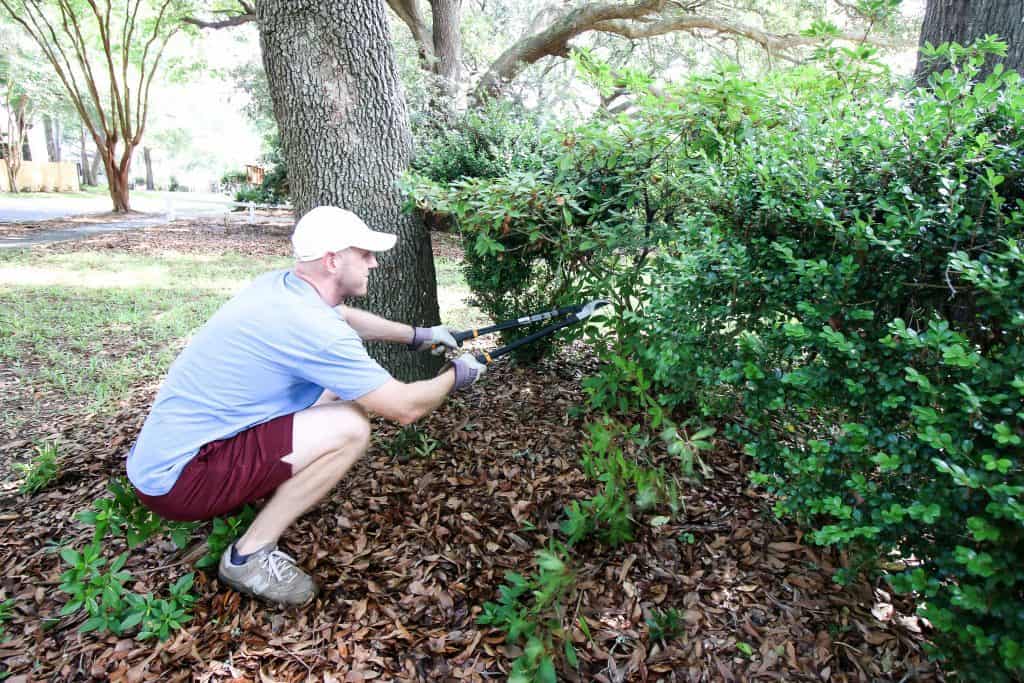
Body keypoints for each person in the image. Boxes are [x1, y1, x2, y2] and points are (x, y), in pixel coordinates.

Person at [126, 205, 486, 606]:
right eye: (364, 253)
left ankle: (262, 494)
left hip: (163, 461)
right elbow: (404, 408)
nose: (374, 262)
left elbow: (345, 317)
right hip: (181, 482)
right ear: (333, 261)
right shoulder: (314, 330)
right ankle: (248, 556)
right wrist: (459, 375)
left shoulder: (280, 287)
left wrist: (419, 336)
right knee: (352, 425)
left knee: (334, 392)